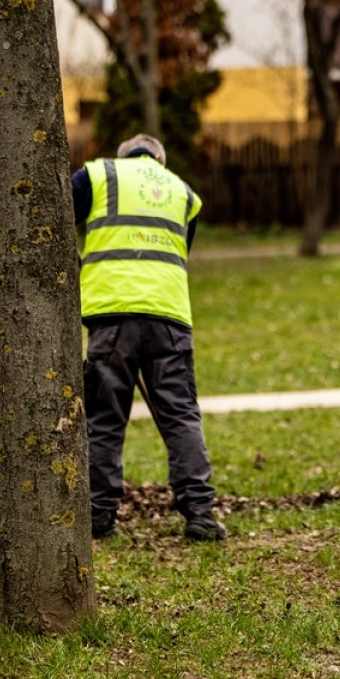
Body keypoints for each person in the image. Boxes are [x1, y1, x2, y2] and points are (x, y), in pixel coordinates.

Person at [71, 133, 227, 542]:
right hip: (169, 317)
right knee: (181, 415)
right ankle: (200, 512)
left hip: (112, 316)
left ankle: (99, 515)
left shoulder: (98, 175)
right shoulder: (183, 192)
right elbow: (181, 250)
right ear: (160, 160)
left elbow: (54, 223)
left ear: (124, 156)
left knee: (105, 419)